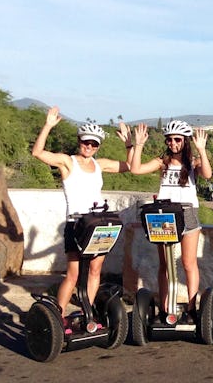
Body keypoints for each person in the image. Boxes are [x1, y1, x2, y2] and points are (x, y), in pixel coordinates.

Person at [31, 106, 131, 329]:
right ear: (80, 141)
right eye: (86, 142)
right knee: (74, 274)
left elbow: (131, 166)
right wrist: (47, 126)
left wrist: (129, 144)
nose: (90, 147)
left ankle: (88, 314)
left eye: (94, 144)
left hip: (97, 224)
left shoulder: (99, 164)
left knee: (96, 270)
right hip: (76, 223)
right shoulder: (68, 162)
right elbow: (38, 153)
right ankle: (58, 319)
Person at [128, 120, 213, 321]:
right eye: (170, 140)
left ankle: (192, 308)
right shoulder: (162, 162)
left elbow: (208, 175)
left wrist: (201, 150)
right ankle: (166, 308)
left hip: (188, 213)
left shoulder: (193, 163)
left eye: (177, 140)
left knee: (188, 262)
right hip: (164, 214)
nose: (173, 143)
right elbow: (135, 169)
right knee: (165, 264)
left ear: (184, 141)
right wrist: (138, 145)